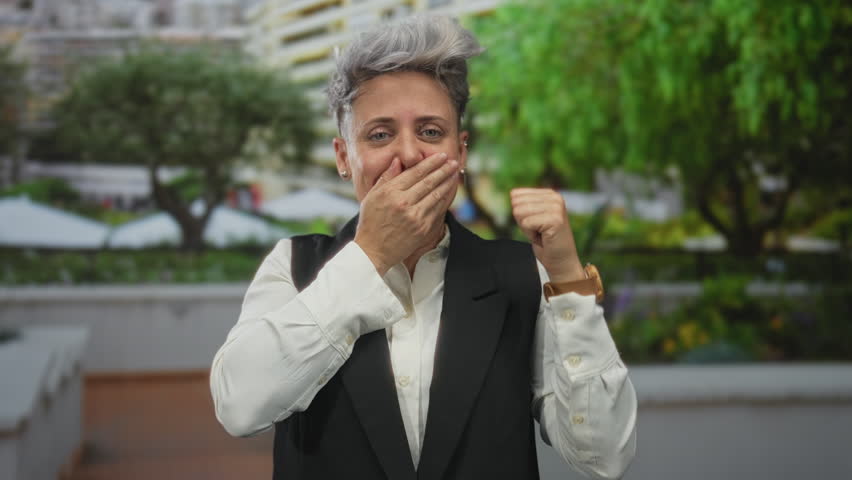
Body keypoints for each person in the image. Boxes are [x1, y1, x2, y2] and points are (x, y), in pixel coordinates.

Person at [210, 14, 637, 480]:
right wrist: (371, 254)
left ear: (462, 152)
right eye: (379, 134)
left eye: (431, 132)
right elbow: (239, 407)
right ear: (343, 157)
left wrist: (568, 278)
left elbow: (603, 458)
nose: (410, 154)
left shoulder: (519, 274)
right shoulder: (293, 265)